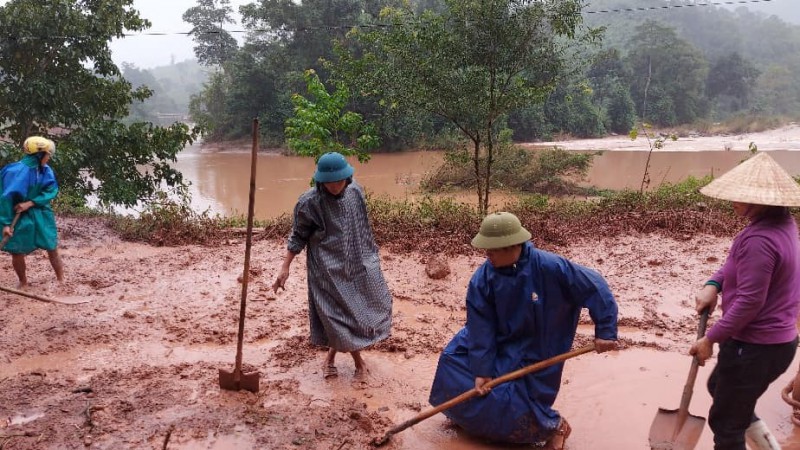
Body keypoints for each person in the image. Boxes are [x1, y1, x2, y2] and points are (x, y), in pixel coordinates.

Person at [428, 211, 618, 449]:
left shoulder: (551, 267)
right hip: (497, 339)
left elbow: (595, 287)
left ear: (512, 246)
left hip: (539, 344)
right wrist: (482, 369)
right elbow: (480, 325)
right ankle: (464, 416)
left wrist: (606, 331)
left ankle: (554, 426)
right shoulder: (483, 278)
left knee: (507, 396)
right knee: (452, 361)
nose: (487, 254)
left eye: (493, 249)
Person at [690, 152, 800, 450]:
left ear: (762, 199)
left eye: (742, 195)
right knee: (721, 391)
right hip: (778, 343)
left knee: (726, 426)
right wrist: (714, 284)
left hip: (755, 347)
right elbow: (734, 265)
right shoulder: (781, 225)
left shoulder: (760, 240)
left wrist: (710, 338)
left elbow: (751, 301)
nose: (733, 200)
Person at [272, 152, 392, 381]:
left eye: (339, 180)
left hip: (356, 262)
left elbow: (362, 225)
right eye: (329, 182)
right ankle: (358, 363)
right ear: (319, 181)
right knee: (337, 315)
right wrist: (285, 267)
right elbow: (298, 236)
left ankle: (329, 358)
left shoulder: (356, 192)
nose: (335, 186)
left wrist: (371, 256)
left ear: (347, 178)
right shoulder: (309, 203)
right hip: (326, 269)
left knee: (362, 309)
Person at [0, 136, 64, 288]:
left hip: (41, 211)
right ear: (39, 154)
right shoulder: (14, 171)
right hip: (17, 215)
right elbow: (4, 199)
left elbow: (51, 190)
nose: (49, 158)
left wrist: (30, 203)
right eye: (47, 155)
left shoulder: (45, 170)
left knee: (51, 245)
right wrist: (6, 224)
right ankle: (23, 283)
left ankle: (62, 279)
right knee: (16, 249)